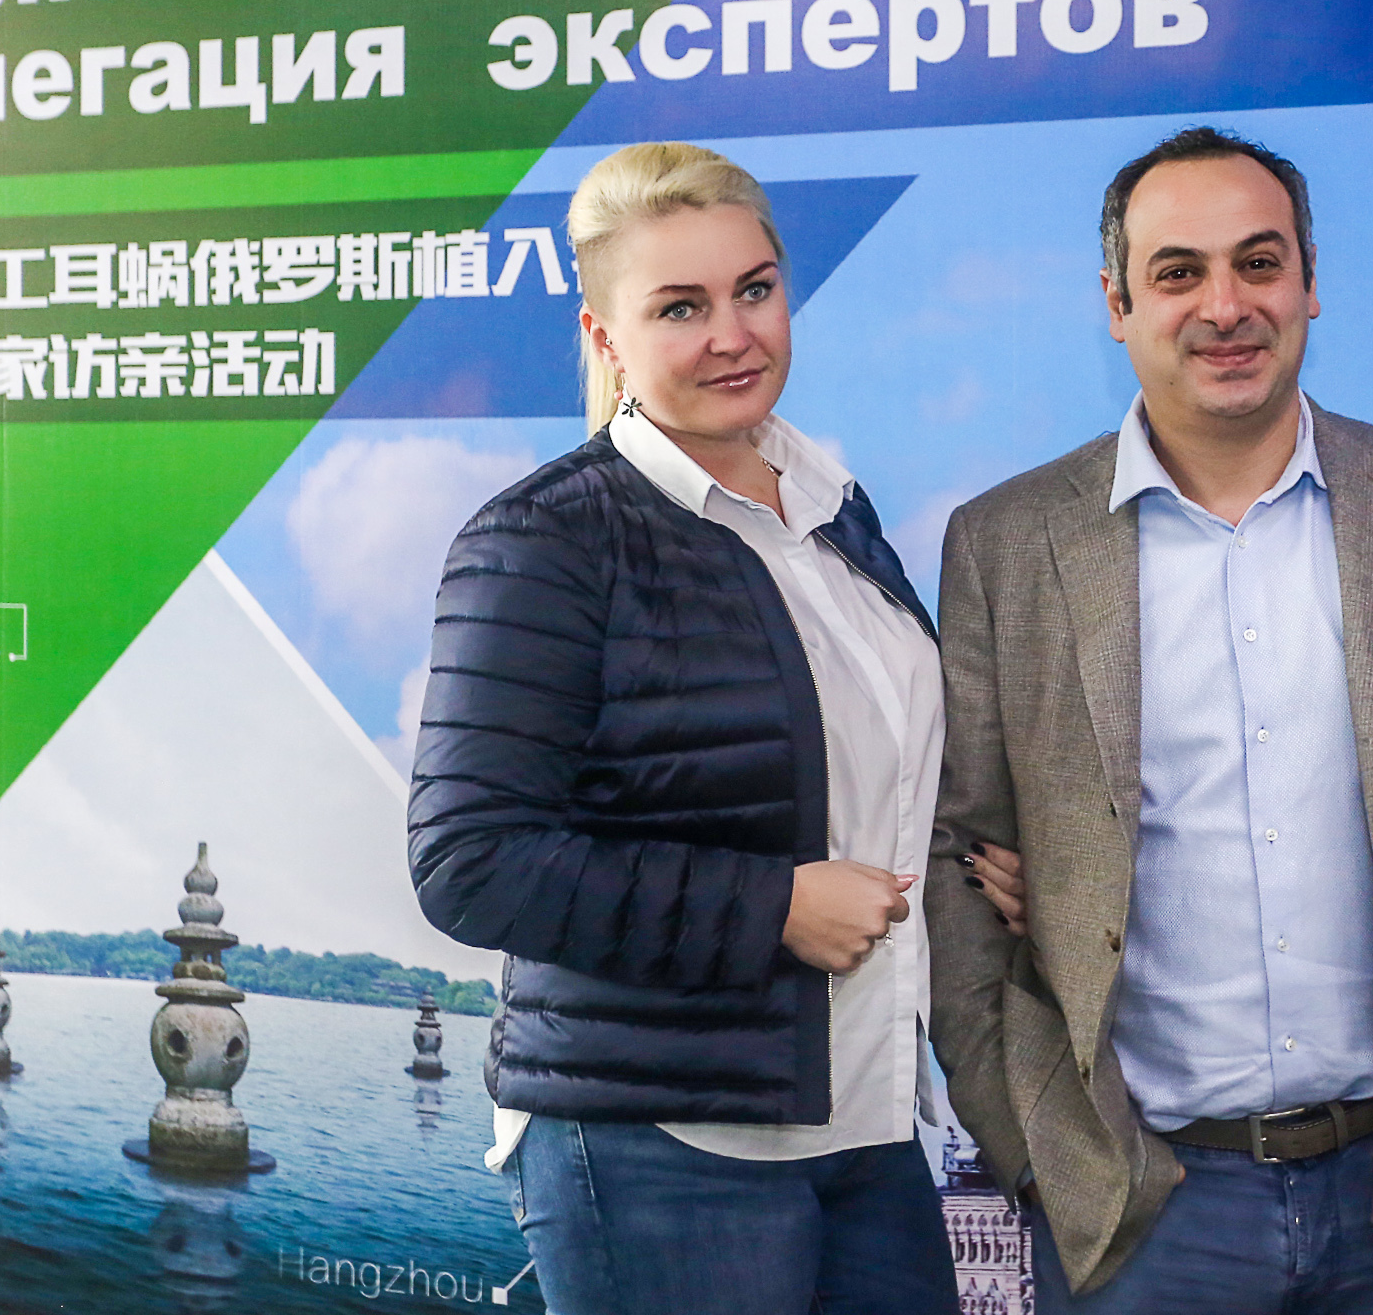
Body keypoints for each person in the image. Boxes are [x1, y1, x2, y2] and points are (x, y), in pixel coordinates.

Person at [925, 125, 1373, 1312]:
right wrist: (1028, 1147)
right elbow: (953, 849)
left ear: (1308, 281)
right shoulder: (1007, 544)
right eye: (1177, 272)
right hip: (1138, 1209)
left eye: (1257, 262)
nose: (1224, 306)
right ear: (1117, 304)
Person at [406, 143, 961, 1315]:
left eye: (754, 289)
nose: (732, 335)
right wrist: (772, 907)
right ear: (604, 335)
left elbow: (863, 773)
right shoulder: (545, 539)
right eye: (679, 307)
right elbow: (470, 861)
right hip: (660, 1146)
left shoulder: (831, 506)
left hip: (867, 1122)